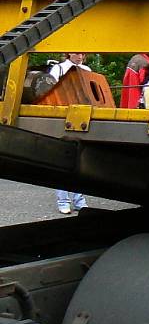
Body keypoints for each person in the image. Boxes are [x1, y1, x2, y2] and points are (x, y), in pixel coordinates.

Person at [50, 53, 90, 214]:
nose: (80, 55)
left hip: (81, 118)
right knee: (62, 160)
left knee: (79, 160)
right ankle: (63, 199)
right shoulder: (58, 69)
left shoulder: (87, 70)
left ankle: (79, 199)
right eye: (77, 52)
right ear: (69, 53)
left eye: (83, 53)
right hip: (62, 117)